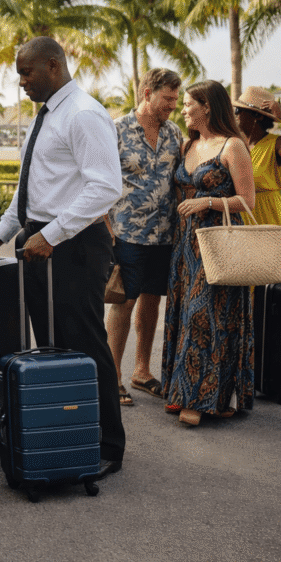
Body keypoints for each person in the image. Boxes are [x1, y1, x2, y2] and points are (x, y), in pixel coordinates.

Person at [0, 36, 124, 476]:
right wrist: (1, 235)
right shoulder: (48, 116)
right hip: (39, 243)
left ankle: (107, 446)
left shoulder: (83, 114)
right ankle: (64, 435)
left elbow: (106, 187)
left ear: (53, 66)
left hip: (73, 247)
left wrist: (52, 235)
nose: (20, 82)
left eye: (26, 72)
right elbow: (32, 188)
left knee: (85, 345)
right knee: (53, 348)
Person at [161, 80, 256, 427]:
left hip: (218, 241)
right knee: (187, 315)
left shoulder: (233, 146)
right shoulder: (190, 143)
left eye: (188, 104)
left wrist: (209, 201)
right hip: (185, 243)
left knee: (207, 318)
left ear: (208, 107)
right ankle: (187, 392)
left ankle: (197, 400)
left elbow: (247, 201)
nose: (183, 110)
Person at [106, 69, 183, 407]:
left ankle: (141, 371)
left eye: (176, 100)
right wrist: (105, 228)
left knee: (153, 300)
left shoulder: (174, 132)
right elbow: (97, 179)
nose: (173, 106)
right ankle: (112, 377)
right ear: (148, 93)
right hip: (126, 232)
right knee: (124, 301)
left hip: (165, 234)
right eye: (168, 99)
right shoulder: (116, 129)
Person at [233, 86, 281, 227]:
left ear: (257, 115)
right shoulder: (234, 144)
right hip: (239, 222)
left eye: (239, 110)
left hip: (267, 221)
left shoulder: (275, 144)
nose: (235, 114)